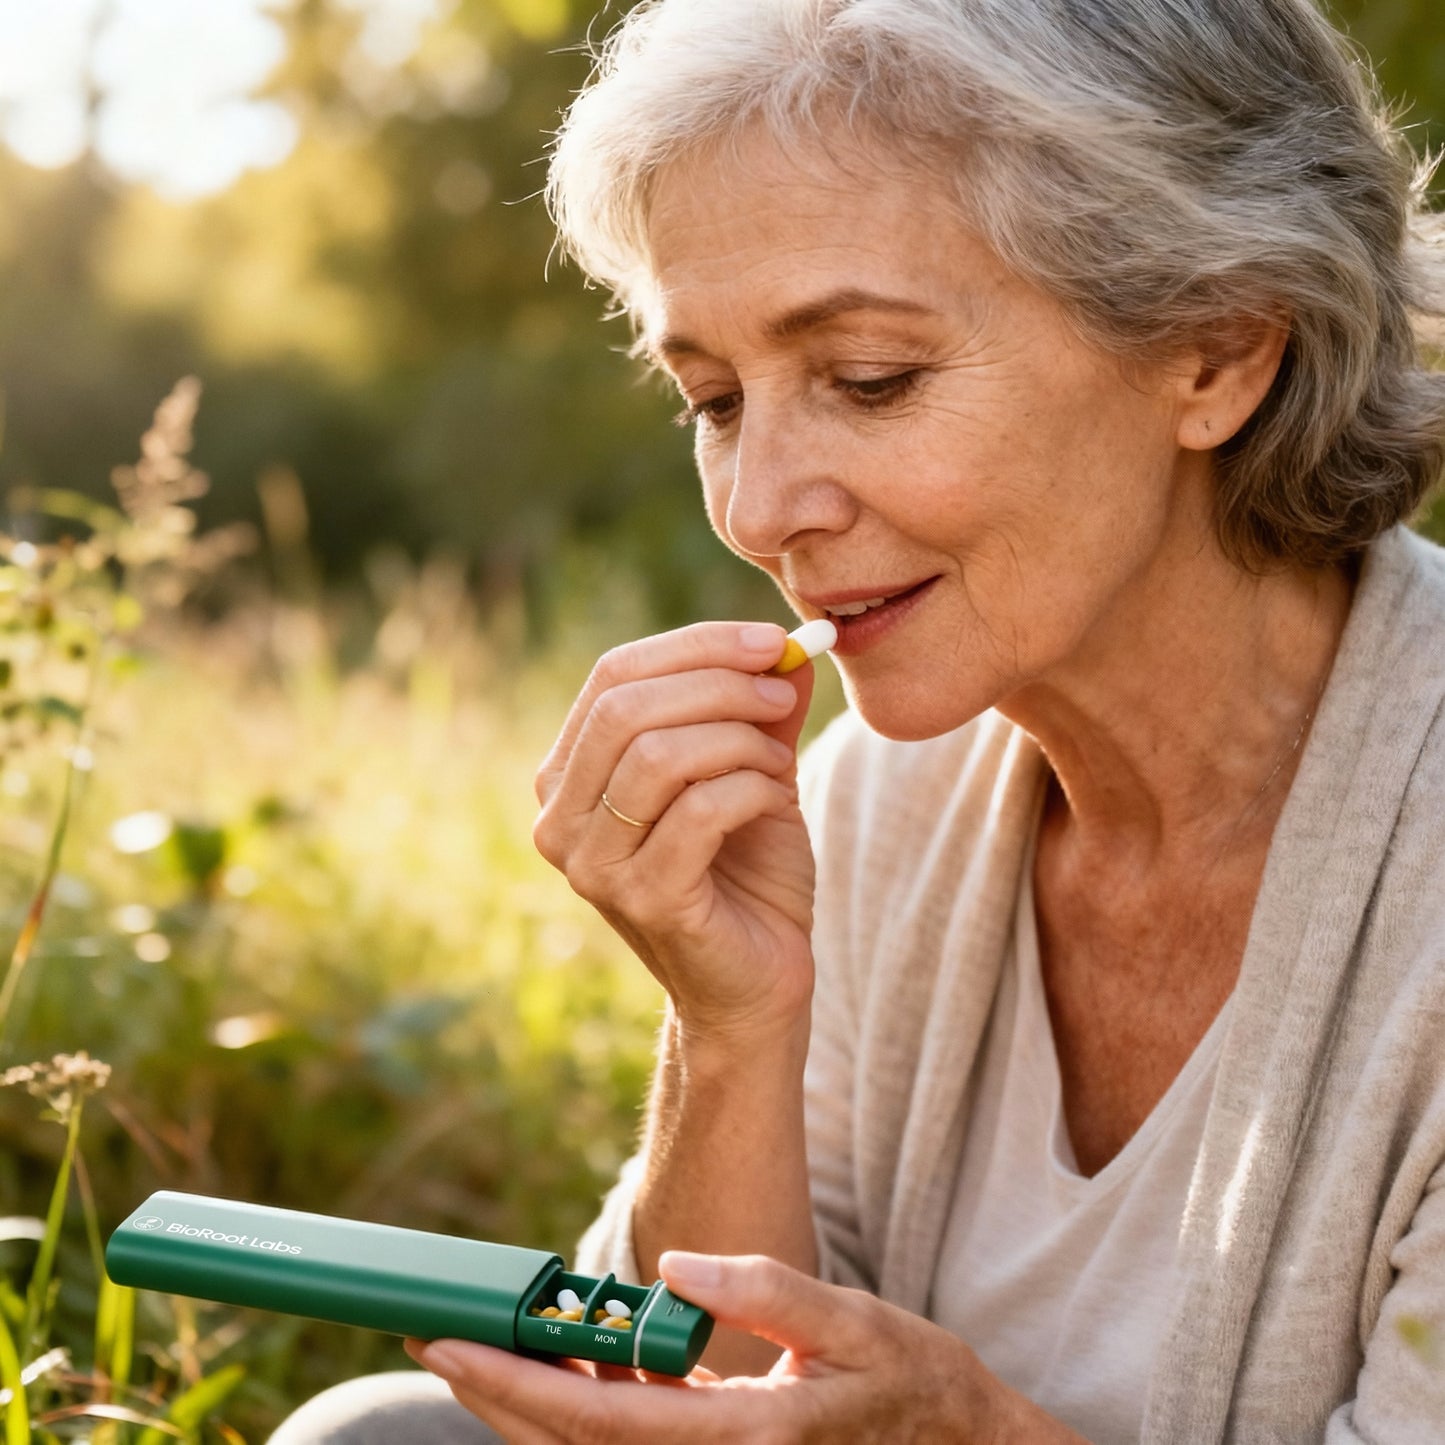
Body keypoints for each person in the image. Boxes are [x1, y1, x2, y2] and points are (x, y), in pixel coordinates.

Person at [271, 0, 1445, 1440]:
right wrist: (730, 1026)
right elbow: (684, 1396)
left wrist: (971, 1437)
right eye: (713, 400)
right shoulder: (873, 803)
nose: (760, 508)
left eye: (869, 379)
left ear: (1215, 350)